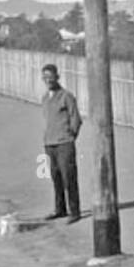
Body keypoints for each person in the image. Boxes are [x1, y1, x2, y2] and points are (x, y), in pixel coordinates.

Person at [41, 63, 82, 224]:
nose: (48, 80)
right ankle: (60, 209)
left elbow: (76, 119)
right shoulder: (45, 98)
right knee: (55, 177)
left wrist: (71, 136)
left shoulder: (66, 96)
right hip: (49, 143)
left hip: (64, 143)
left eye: (51, 77)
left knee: (68, 177)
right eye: (45, 77)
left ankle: (75, 211)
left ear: (57, 77)